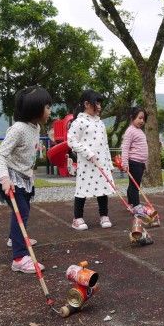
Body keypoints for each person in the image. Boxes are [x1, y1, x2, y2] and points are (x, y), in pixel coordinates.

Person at [0, 85, 52, 273]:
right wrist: (5, 179)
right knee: (21, 211)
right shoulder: (18, 129)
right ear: (35, 108)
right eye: (47, 107)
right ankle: (19, 258)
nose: (50, 111)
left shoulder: (35, 127)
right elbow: (0, 156)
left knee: (23, 209)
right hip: (8, 177)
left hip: (23, 176)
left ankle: (14, 238)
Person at [67, 89, 115, 231]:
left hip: (102, 163)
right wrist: (87, 152)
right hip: (87, 164)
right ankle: (77, 218)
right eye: (97, 103)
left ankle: (104, 216)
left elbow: (105, 144)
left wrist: (109, 162)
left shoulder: (100, 123)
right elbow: (71, 141)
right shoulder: (79, 122)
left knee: (103, 189)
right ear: (86, 104)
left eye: (100, 103)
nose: (99, 106)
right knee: (82, 190)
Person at [121, 106, 149, 216]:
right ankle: (137, 207)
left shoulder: (140, 131)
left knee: (132, 184)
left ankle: (131, 204)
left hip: (140, 163)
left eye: (144, 119)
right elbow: (125, 147)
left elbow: (142, 148)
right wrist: (125, 162)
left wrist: (145, 162)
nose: (142, 121)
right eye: (140, 118)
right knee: (135, 186)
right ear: (132, 118)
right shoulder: (130, 131)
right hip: (134, 162)